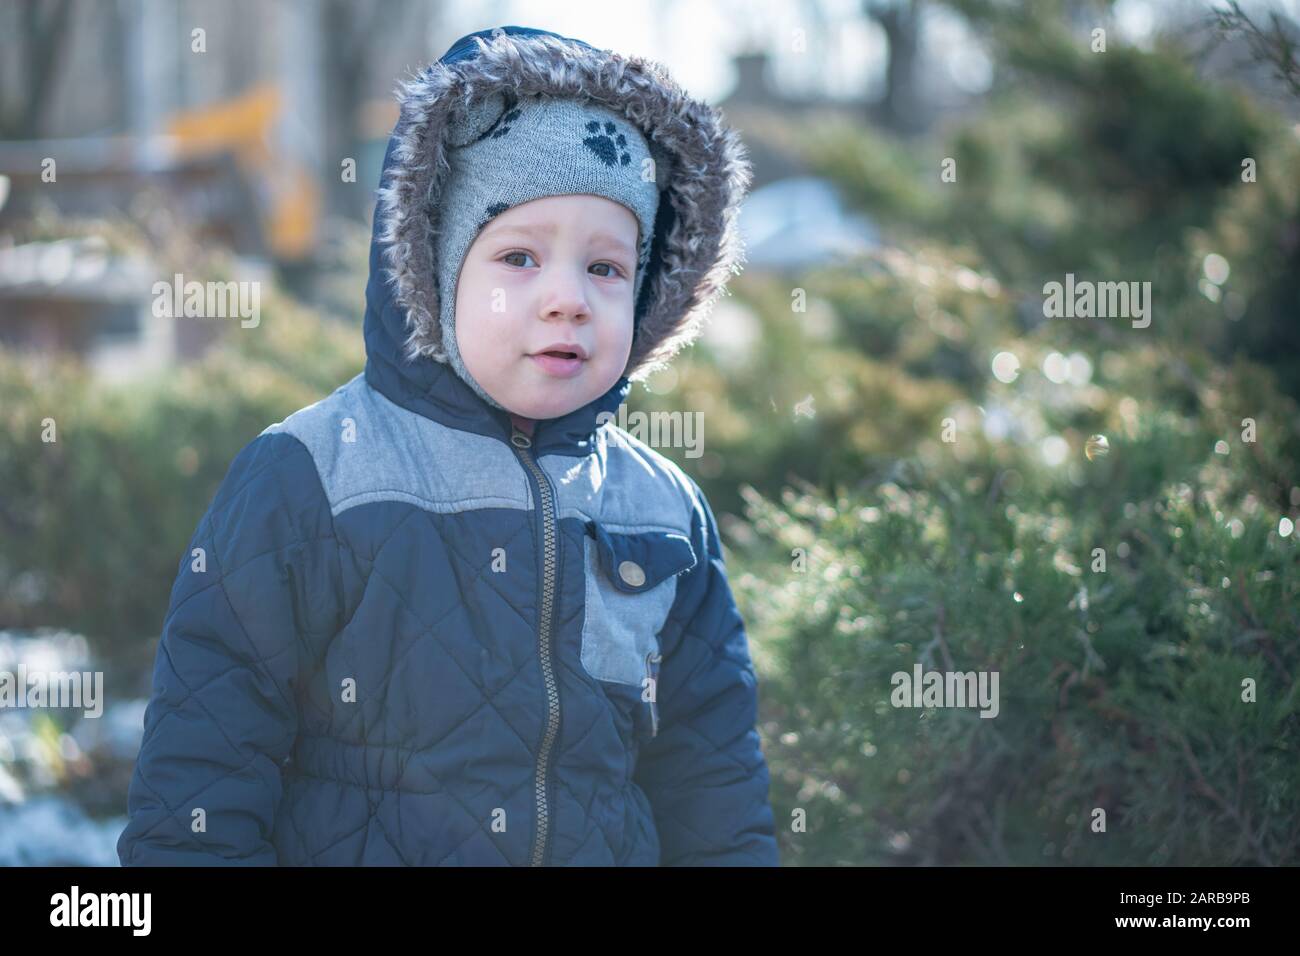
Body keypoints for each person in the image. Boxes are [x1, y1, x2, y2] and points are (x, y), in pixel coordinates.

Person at [117, 24, 779, 866]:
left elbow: (712, 782)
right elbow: (202, 775)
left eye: (607, 268)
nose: (567, 299)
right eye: (518, 256)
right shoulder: (314, 476)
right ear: (430, 266)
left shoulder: (662, 513)